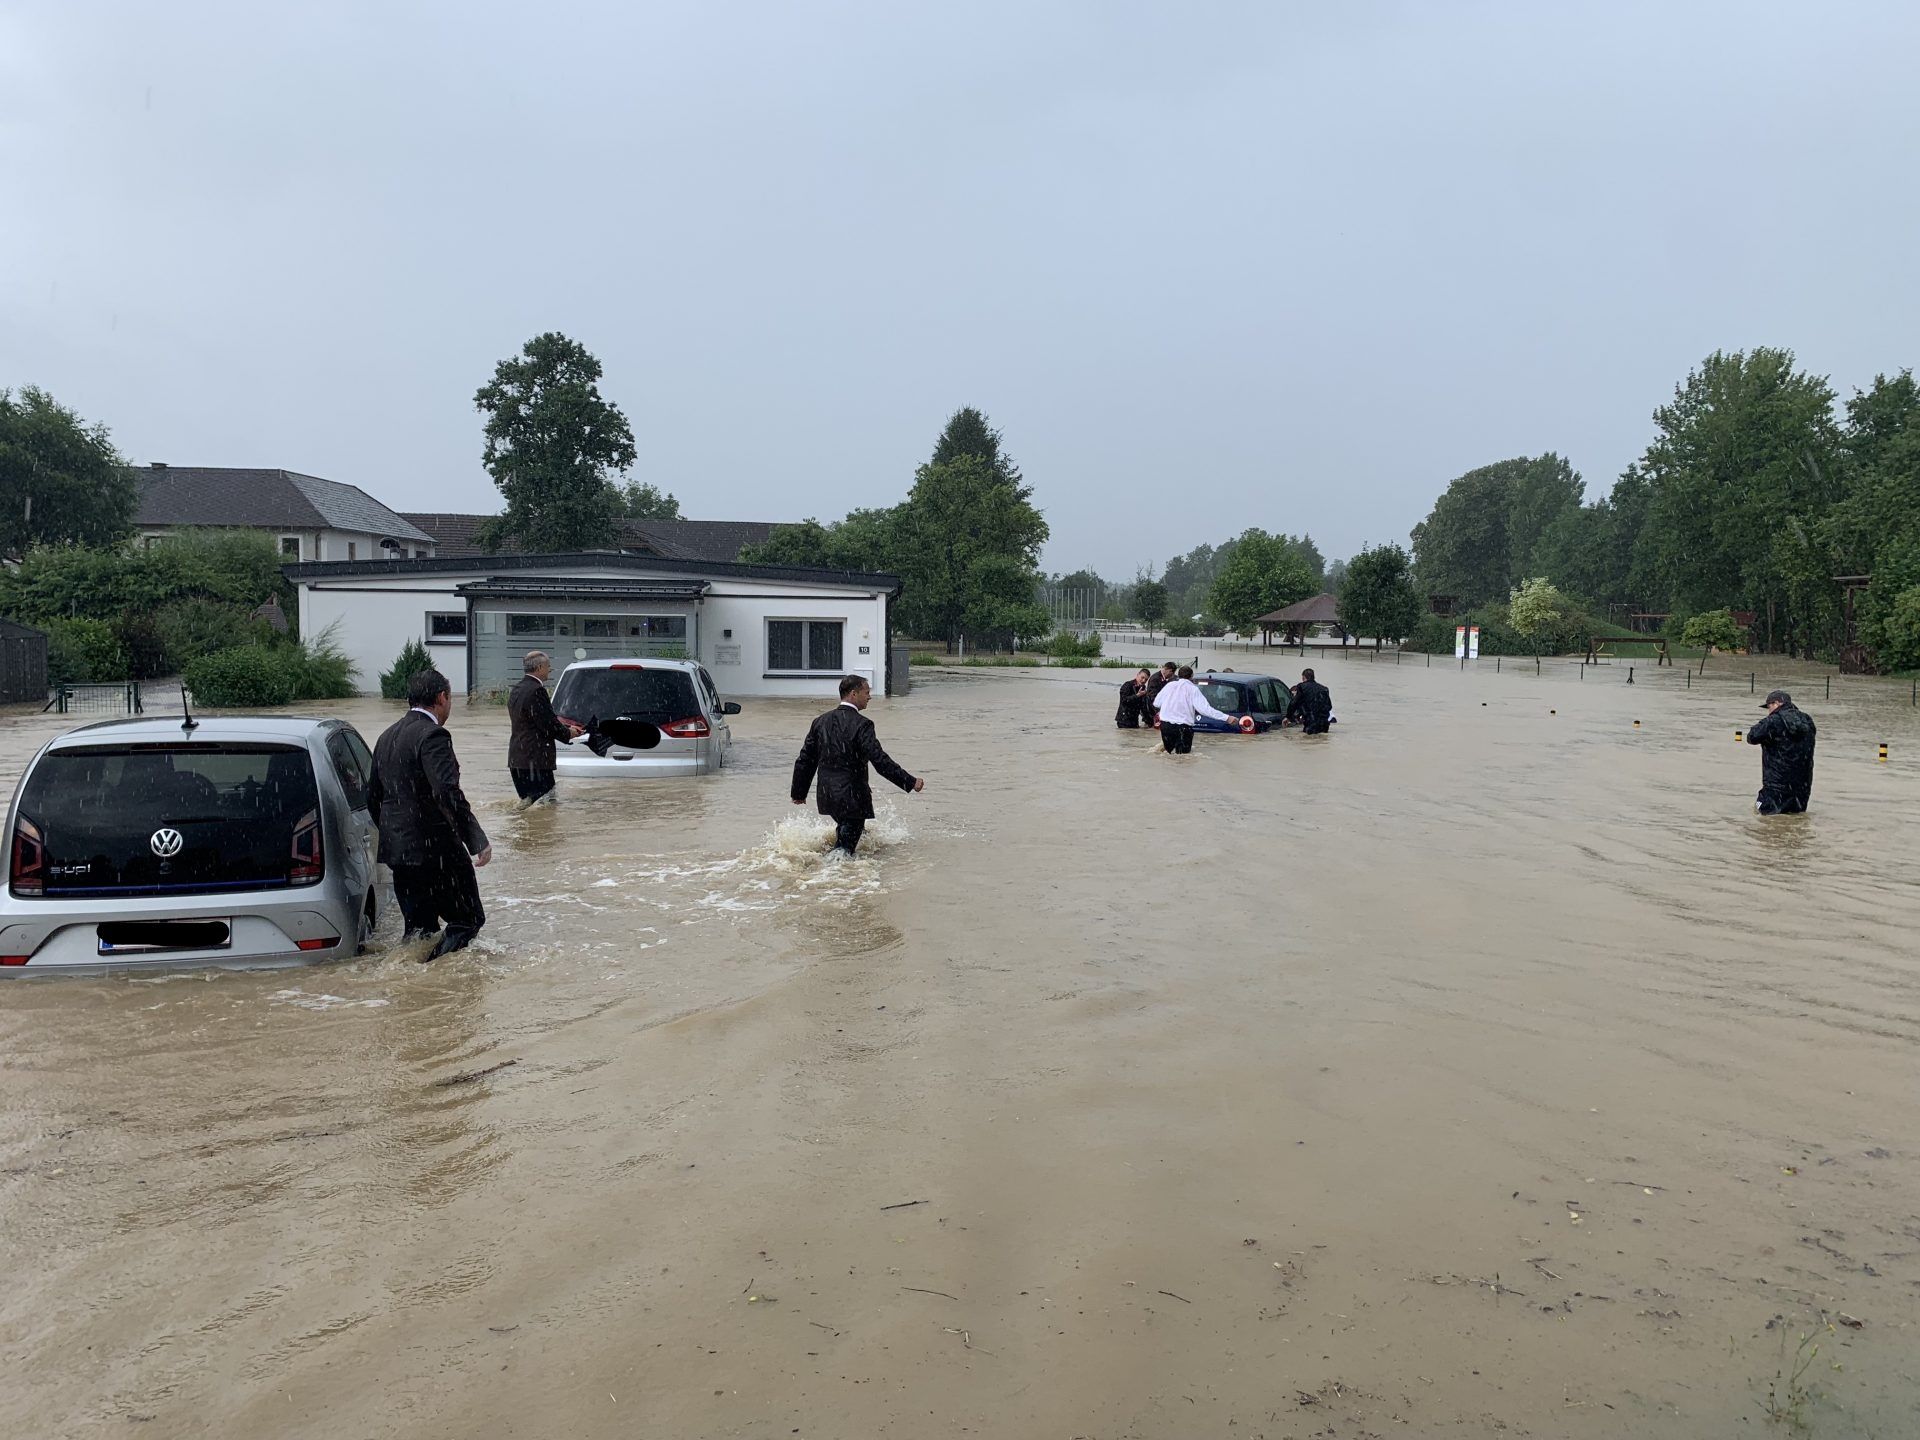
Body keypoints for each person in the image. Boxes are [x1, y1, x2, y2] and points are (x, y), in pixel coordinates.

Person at [368, 668, 492, 959]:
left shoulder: (386, 737)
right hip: (435, 851)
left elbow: (373, 796)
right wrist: (476, 840)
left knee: (419, 929)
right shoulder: (433, 735)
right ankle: (435, 975)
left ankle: (415, 987)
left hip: (399, 853)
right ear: (442, 697)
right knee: (467, 920)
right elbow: (446, 792)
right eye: (450, 699)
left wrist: (396, 835)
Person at [791, 674, 924, 855]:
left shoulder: (820, 722)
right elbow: (880, 761)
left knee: (852, 832)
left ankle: (830, 867)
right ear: (853, 694)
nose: (869, 696)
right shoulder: (863, 725)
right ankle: (831, 875)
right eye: (867, 692)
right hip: (852, 797)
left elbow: (805, 760)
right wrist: (910, 781)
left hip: (827, 796)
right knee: (844, 850)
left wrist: (799, 792)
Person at [507, 650, 582, 803]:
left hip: (517, 760)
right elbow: (547, 724)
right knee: (545, 805)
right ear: (540, 667)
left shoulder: (517, 689)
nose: (550, 670)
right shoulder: (537, 691)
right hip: (535, 761)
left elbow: (533, 720)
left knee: (528, 807)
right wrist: (568, 733)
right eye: (548, 666)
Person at [1747, 689, 1816, 814]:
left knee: (1760, 815)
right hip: (1802, 787)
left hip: (1776, 785)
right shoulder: (1807, 720)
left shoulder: (1773, 721)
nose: (1769, 711)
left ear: (1777, 703)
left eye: (1769, 706)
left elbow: (1752, 736)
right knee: (1794, 820)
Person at [1151, 664, 1238, 754]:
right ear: (1191, 676)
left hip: (1166, 726)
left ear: (1178, 675)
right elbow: (1205, 709)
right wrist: (1227, 718)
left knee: (1168, 755)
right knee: (1183, 758)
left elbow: (1156, 703)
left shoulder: (1169, 686)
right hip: (1183, 727)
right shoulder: (1193, 689)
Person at [1286, 667, 1334, 734]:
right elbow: (1329, 706)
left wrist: (1288, 717)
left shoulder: (1301, 687)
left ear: (1303, 677)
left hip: (1310, 723)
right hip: (1324, 724)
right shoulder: (1324, 689)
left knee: (1308, 741)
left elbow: (1294, 703)